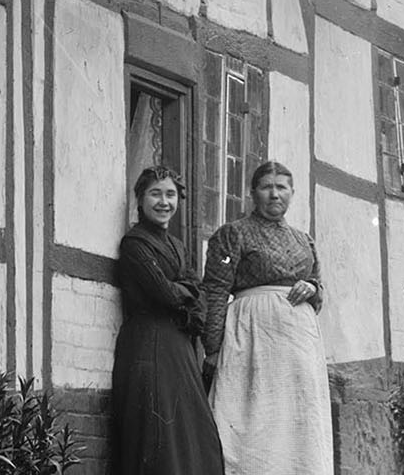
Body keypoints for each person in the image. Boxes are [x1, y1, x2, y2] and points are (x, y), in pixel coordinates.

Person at [200, 161, 330, 475]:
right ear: (253, 192)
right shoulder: (233, 234)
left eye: (281, 187)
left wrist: (312, 288)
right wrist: (213, 348)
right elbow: (215, 291)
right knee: (255, 421)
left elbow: (319, 288)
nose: (274, 194)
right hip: (252, 339)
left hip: (298, 346)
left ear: (292, 193)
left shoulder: (304, 240)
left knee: (298, 420)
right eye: (266, 187)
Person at [113, 166, 225, 475]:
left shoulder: (177, 245)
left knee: (193, 431)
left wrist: (187, 293)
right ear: (140, 199)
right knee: (156, 432)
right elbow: (164, 293)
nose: (164, 202)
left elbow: (198, 294)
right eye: (155, 194)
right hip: (148, 345)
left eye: (170, 194)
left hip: (179, 346)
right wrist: (187, 292)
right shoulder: (135, 244)